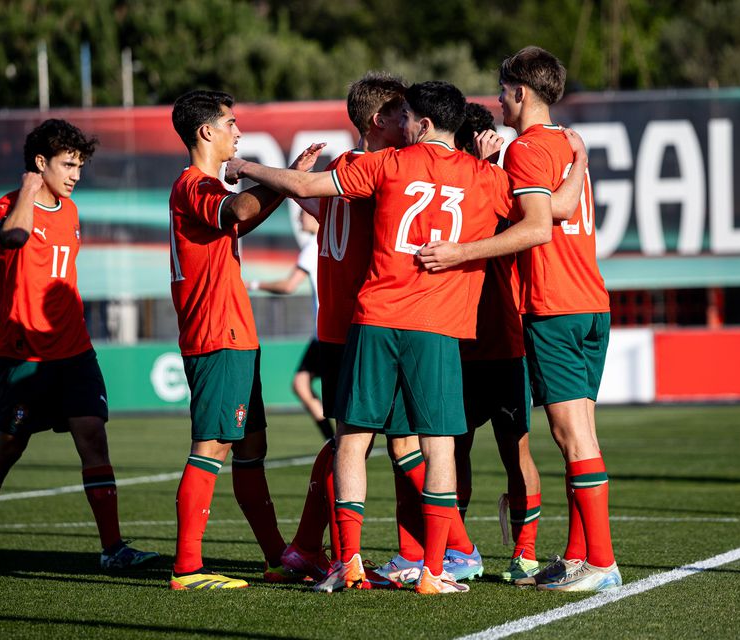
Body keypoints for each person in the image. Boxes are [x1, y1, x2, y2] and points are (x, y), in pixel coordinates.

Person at [226, 81, 521, 595]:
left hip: (374, 318)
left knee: (352, 440)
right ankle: (433, 568)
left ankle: (349, 559)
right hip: (436, 328)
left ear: (422, 124)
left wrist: (249, 168)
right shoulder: (481, 177)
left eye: (407, 114)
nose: (402, 121)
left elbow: (308, 191)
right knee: (439, 448)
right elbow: (539, 217)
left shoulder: (382, 166)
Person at [418, 46, 620, 592]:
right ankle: (580, 557)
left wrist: (458, 252)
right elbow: (557, 209)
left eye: (503, 89)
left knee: (570, 436)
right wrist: (578, 166)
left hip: (554, 305)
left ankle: (600, 563)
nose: (499, 99)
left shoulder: (527, 151)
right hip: (590, 302)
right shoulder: (566, 146)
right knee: (579, 435)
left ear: (521, 93)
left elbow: (538, 225)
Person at [279, 72, 479, 590]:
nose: (407, 120)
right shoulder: (383, 171)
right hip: (366, 324)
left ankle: (313, 547)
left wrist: (292, 187)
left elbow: (325, 209)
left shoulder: (349, 170)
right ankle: (447, 550)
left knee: (366, 442)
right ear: (379, 120)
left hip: (345, 324)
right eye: (399, 112)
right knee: (397, 442)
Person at [0, 119, 159, 573]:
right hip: (25, 355)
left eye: (80, 166)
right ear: (40, 163)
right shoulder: (6, 208)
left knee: (93, 439)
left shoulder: (70, 211)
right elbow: (13, 237)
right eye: (68, 165)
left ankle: (113, 549)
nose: (76, 175)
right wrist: (28, 190)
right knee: (8, 447)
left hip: (74, 352)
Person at [167, 89, 324, 590]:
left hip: (235, 332)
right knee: (211, 447)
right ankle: (187, 568)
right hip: (216, 334)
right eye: (231, 123)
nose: (238, 131)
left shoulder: (206, 188)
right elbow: (237, 212)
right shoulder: (193, 184)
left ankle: (278, 557)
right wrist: (276, 176)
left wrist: (284, 183)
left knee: (251, 446)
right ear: (206, 132)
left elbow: (245, 215)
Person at [452, 103, 587, 585]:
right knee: (453, 451)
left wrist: (489, 170)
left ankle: (524, 552)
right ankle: (457, 547)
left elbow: (523, 223)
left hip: (504, 341)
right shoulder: (457, 186)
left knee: (517, 453)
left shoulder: (507, 185)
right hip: (461, 343)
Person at [246, 211, 334, 441]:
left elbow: (288, 285)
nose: (298, 219)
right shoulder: (333, 242)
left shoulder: (313, 247)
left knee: (323, 390)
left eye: (303, 214)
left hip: (325, 332)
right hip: (330, 330)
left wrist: (252, 283)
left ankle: (337, 444)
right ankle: (333, 442)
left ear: (318, 215)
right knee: (302, 384)